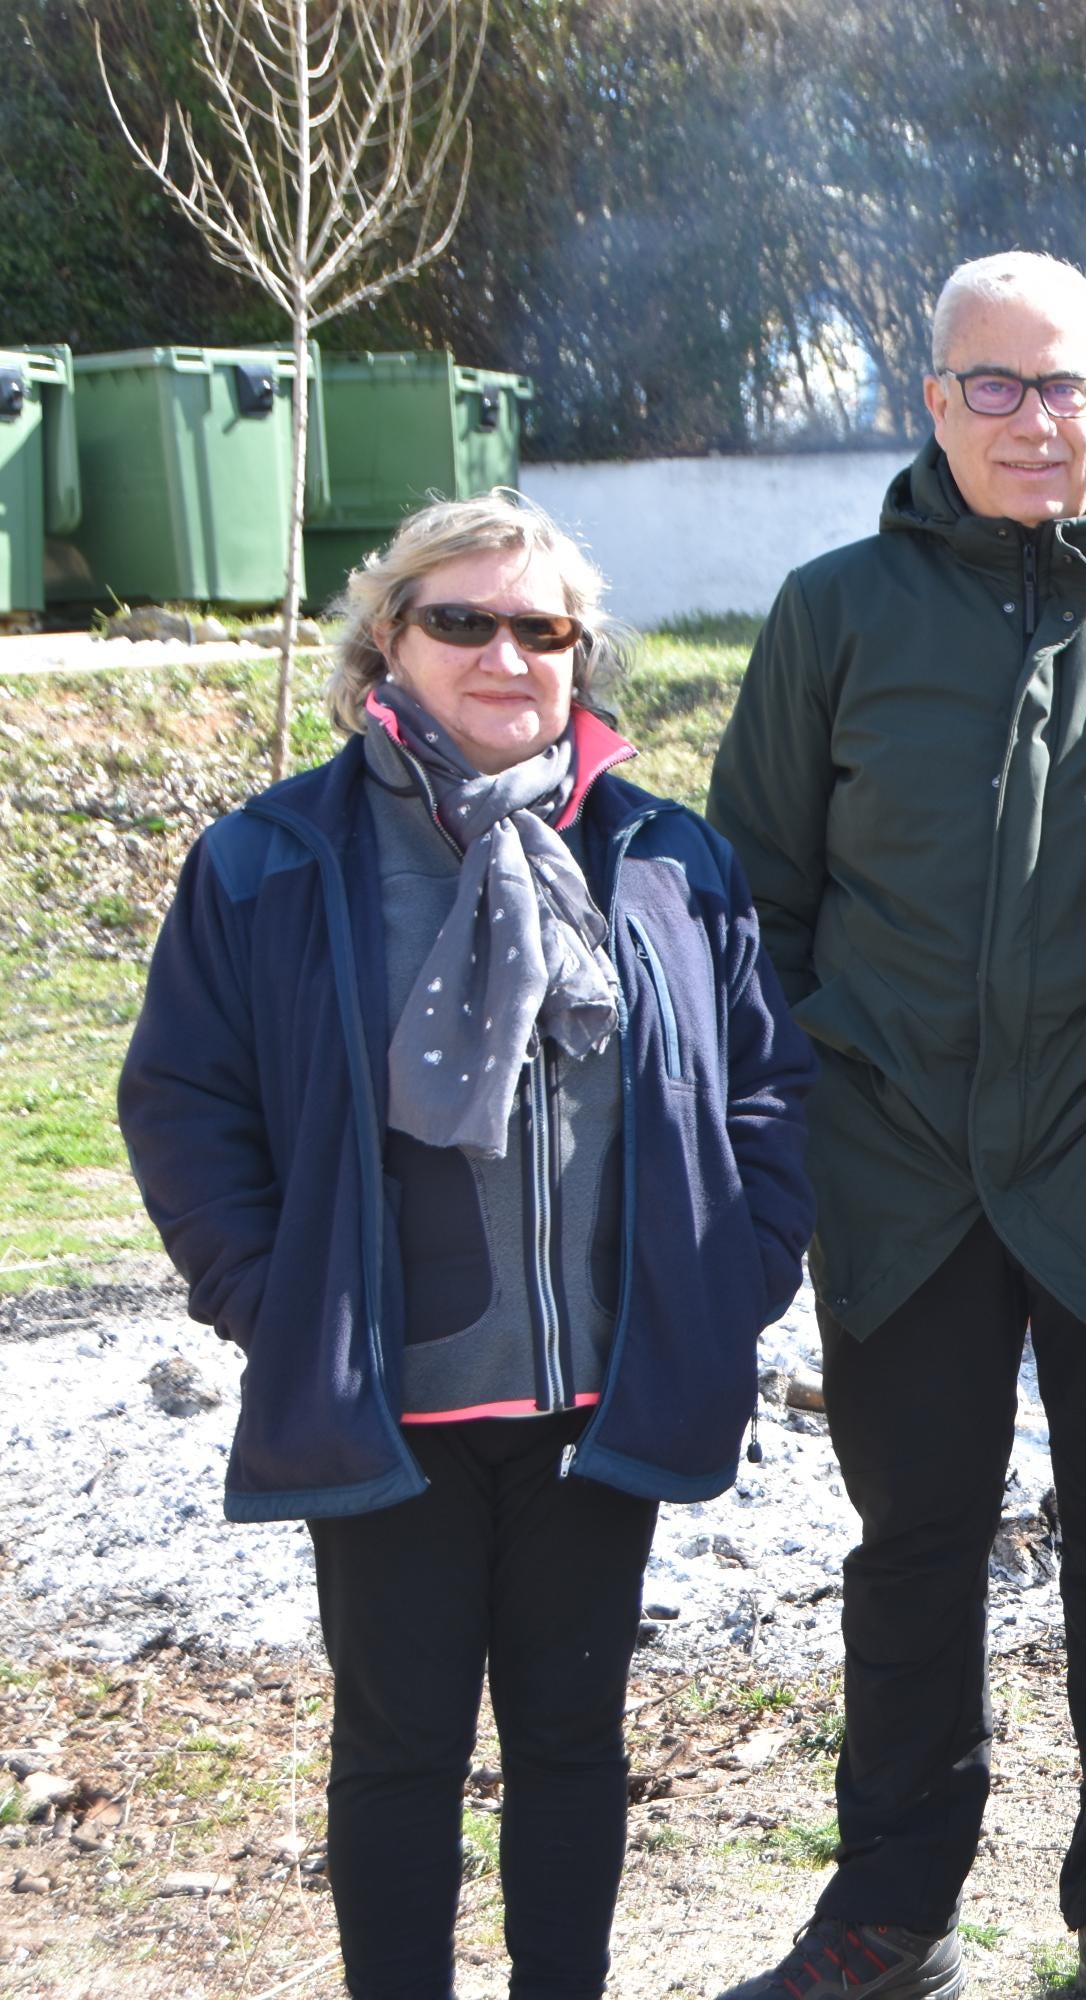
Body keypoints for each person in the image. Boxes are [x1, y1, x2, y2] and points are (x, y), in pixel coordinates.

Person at [114, 492, 815, 1999]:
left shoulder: (662, 852)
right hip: (393, 1408)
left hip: (595, 1407)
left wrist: (734, 1269)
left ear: (581, 654)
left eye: (543, 628)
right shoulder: (272, 859)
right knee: (398, 1749)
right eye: (464, 622)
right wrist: (271, 1299)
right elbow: (181, 1099)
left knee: (573, 1743)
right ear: (389, 638)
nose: (508, 654)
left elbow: (765, 1080)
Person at [706, 252, 1086, 2000]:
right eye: (991, 386)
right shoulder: (833, 613)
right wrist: (793, 1132)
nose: (1031, 419)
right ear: (932, 402)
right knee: (913, 1550)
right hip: (903, 1173)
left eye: (1064, 384)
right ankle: (890, 1912)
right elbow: (755, 905)